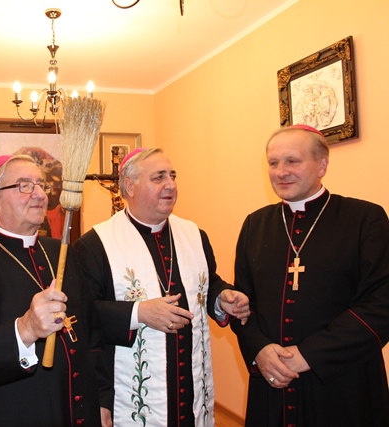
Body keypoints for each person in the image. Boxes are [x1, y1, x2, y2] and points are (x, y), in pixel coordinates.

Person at [73, 147, 250, 427]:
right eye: (158, 177)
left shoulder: (194, 235)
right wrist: (139, 313)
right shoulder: (95, 244)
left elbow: (206, 283)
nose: (170, 185)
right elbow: (83, 315)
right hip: (129, 397)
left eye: (172, 176)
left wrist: (221, 298)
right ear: (130, 186)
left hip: (192, 389)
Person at [231, 124, 389, 426]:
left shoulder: (365, 219)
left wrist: (309, 355)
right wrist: (259, 350)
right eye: (273, 162)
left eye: (293, 161)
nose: (281, 172)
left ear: (322, 165)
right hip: (272, 378)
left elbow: (381, 304)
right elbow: (243, 305)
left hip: (343, 383)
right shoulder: (255, 224)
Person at [0, 154, 111, 426]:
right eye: (24, 185)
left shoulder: (62, 251)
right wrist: (25, 329)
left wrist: (102, 400)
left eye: (41, 185)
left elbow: (92, 335)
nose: (40, 194)